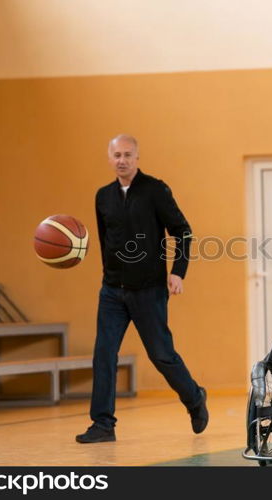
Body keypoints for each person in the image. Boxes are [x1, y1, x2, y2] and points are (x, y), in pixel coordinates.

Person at [76, 134, 208, 443]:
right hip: (111, 291)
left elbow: (183, 232)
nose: (121, 160)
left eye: (127, 155)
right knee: (104, 354)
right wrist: (109, 276)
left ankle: (194, 398)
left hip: (148, 290)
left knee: (161, 355)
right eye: (116, 155)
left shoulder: (155, 191)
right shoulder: (102, 196)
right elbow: (106, 239)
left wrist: (178, 272)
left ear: (137, 158)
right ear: (109, 158)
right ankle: (103, 424)